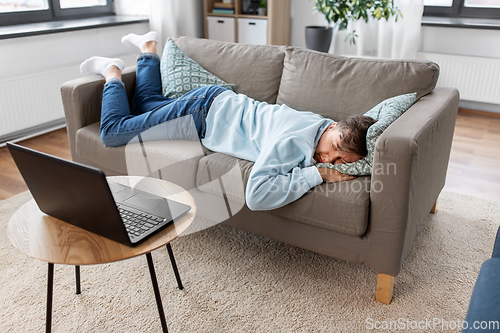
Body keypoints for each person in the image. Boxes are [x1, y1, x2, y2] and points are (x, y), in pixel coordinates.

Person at [80, 32, 376, 211]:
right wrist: (319, 175)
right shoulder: (295, 143)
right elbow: (256, 196)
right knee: (114, 131)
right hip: (201, 115)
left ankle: (147, 48)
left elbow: (357, 137)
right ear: (334, 126)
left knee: (145, 105)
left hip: (215, 103)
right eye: (334, 147)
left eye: (339, 161)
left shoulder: (319, 123)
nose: (328, 158)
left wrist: (342, 155)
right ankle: (113, 71)